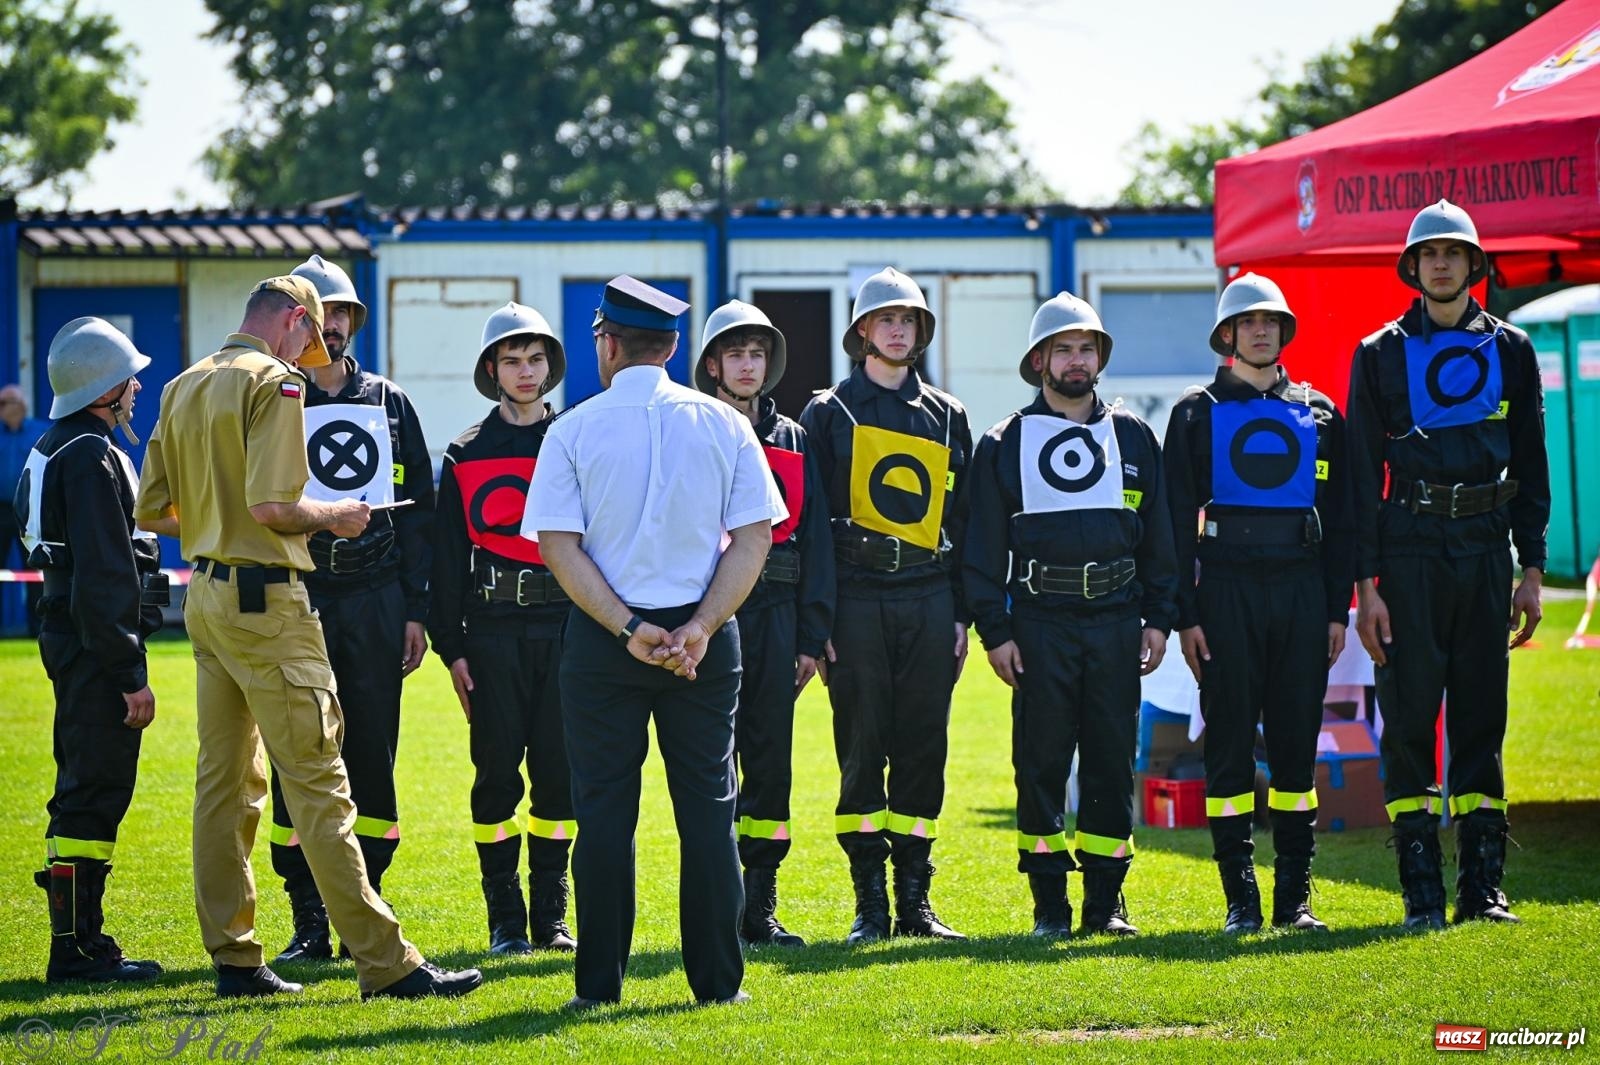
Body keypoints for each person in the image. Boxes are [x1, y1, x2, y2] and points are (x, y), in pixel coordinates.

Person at [133, 274, 481, 1000]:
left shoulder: (185, 384)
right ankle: (387, 963)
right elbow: (274, 505)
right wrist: (335, 516)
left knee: (222, 788)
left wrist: (217, 523)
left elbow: (153, 508)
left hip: (206, 597)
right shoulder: (279, 385)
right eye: (310, 336)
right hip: (271, 605)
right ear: (292, 319)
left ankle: (234, 955)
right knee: (322, 784)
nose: (309, 354)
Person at [524, 276, 785, 1008]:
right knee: (708, 812)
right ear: (674, 346)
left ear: (607, 343)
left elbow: (558, 545)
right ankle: (716, 985)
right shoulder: (726, 424)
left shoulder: (572, 428)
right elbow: (756, 536)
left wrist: (630, 628)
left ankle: (599, 986)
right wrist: (699, 627)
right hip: (705, 635)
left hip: (609, 639)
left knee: (605, 815)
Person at [1347, 200, 1550, 929]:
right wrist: (1365, 588)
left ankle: (1483, 889)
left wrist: (1532, 569)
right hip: (1406, 549)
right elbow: (1357, 478)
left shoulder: (1514, 350)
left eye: (1452, 253)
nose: (1439, 263)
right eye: (1428, 253)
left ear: (1473, 265)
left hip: (1486, 546)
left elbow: (1532, 459)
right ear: (1413, 266)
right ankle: (1421, 893)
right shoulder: (1377, 354)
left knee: (1480, 712)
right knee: (1407, 716)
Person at [963, 293, 1177, 939]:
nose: (1076, 360)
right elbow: (980, 550)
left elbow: (1159, 538)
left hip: (1117, 621)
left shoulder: (1134, 435)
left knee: (1112, 761)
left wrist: (1160, 618)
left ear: (1100, 357)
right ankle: (1049, 906)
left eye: (1087, 348)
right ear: (1039, 360)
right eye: (1064, 348)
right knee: (1042, 761)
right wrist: (994, 632)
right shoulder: (1004, 443)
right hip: (1038, 624)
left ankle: (1107, 904)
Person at [1163, 274, 1355, 934]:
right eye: (1247, 322)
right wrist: (1184, 615)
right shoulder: (1193, 412)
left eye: (1270, 321)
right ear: (1227, 335)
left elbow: (1345, 517)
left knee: (1298, 747)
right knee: (1229, 747)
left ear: (1284, 330)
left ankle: (1293, 899)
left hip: (1301, 591)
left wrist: (1337, 608)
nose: (1260, 330)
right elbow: (1169, 521)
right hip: (1223, 591)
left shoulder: (1321, 412)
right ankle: (1240, 899)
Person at [267, 255, 435, 962]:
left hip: (376, 599)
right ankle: (308, 915)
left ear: (353, 322)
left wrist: (416, 609)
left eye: (342, 314)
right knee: (298, 752)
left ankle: (366, 905)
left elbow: (421, 510)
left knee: (371, 750)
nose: (332, 325)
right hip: (299, 596)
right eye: (319, 312)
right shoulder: (272, 396)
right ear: (299, 321)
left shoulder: (390, 400)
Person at [799, 267, 973, 943]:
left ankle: (916, 903)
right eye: (885, 320)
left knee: (926, 747)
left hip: (930, 595)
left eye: (909, 320)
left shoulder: (949, 414)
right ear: (862, 331)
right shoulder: (827, 413)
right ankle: (869, 904)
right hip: (856, 597)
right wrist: (820, 621)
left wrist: (961, 613)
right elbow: (810, 526)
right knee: (862, 748)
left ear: (920, 332)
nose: (898, 330)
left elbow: (966, 521)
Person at [427, 302, 577, 956]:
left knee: (559, 777)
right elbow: (445, 560)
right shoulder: (464, 452)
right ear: (492, 368)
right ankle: (504, 921)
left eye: (535, 359)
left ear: (550, 367)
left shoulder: (576, 439)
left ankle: (550, 917)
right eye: (512, 360)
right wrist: (451, 648)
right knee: (495, 776)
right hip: (490, 634)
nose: (524, 371)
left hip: (567, 630)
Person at [17, 318, 164, 982]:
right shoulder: (91, 454)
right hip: (93, 647)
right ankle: (77, 949)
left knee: (79, 788)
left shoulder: (57, 444)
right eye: (128, 377)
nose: (137, 387)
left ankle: (77, 942)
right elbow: (106, 576)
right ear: (105, 388)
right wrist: (130, 672)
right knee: (92, 793)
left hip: (69, 636)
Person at [694, 300, 835, 947]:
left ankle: (762, 907)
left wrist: (811, 637)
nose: (748, 365)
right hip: (716, 616)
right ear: (713, 364)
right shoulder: (695, 430)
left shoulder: (796, 438)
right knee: (712, 764)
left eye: (757, 353)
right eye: (735, 353)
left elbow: (816, 543)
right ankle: (718, 904)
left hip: (780, 619)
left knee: (771, 764)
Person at [2, 383, 49, 628]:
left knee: (35, 568)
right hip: (0, 511)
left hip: (31, 510)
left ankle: (37, 627)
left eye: (3, 403)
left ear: (20, 405)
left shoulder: (40, 432)